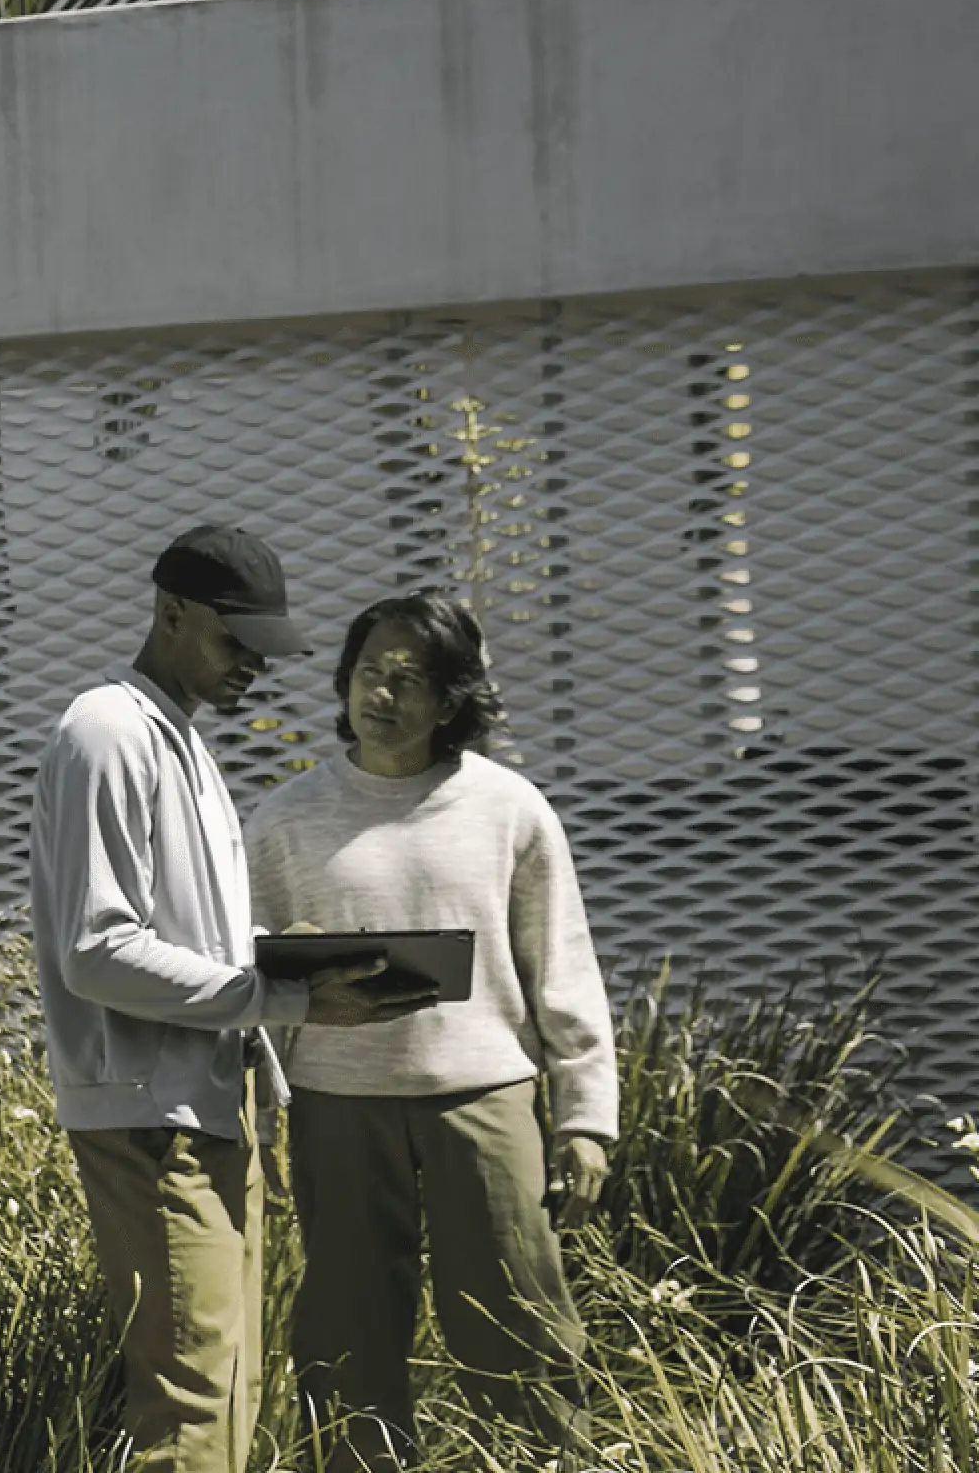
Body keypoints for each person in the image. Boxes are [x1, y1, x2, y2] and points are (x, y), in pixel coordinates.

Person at [32, 525, 438, 1473]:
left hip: (209, 1113)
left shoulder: (178, 742)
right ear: (171, 613)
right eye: (236, 641)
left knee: (229, 1398)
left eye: (268, 648)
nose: (256, 665)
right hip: (152, 1119)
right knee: (192, 1410)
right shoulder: (108, 733)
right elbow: (96, 950)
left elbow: (177, 947)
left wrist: (288, 987)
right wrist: (275, 997)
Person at [246, 588, 616, 1472]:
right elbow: (248, 983)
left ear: (451, 700)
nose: (382, 695)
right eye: (369, 673)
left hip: (484, 1101)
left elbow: (560, 963)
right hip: (337, 1105)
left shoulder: (509, 808)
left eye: (409, 680)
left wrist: (585, 1117)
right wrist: (256, 1125)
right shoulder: (283, 820)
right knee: (347, 1331)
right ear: (344, 683)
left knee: (517, 1322)